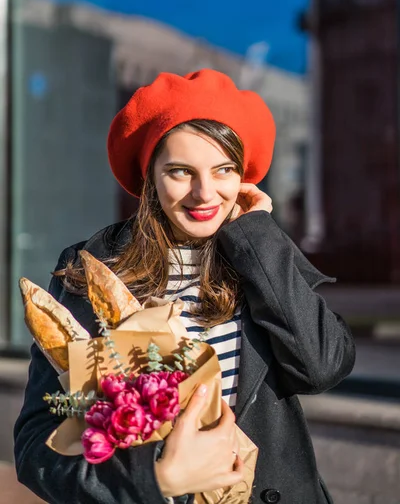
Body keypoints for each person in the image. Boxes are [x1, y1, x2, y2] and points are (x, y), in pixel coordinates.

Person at [14, 69, 355, 504]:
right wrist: (154, 482)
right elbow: (36, 447)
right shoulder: (92, 270)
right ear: (150, 177)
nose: (205, 192)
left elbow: (323, 366)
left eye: (223, 170)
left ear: (243, 177)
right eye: (180, 171)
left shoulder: (257, 257)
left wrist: (258, 235)